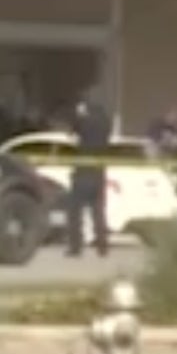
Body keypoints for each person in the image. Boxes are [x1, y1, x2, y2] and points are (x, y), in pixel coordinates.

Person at [66, 87, 113, 258]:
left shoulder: (84, 119)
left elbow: (73, 131)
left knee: (74, 210)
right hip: (99, 170)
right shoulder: (105, 120)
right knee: (98, 210)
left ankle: (75, 247)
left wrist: (78, 115)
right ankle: (102, 246)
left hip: (83, 169)